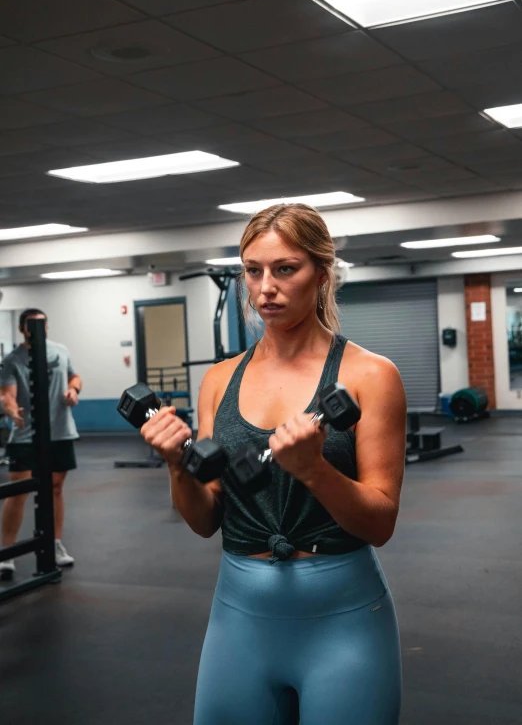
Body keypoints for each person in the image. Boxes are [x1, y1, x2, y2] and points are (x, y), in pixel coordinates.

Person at [142, 204, 407, 725]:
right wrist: (176, 465)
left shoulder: (371, 376)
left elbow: (380, 523)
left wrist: (315, 470)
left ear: (322, 273)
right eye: (253, 270)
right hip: (238, 620)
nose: (265, 287)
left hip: (344, 623)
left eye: (286, 269)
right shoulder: (219, 380)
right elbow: (204, 519)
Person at [0, 309, 81, 581]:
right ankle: (7, 552)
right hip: (26, 437)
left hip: (60, 432)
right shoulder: (13, 360)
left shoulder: (60, 350)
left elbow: (75, 377)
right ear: (24, 329)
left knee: (56, 489)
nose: (40, 329)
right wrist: (12, 411)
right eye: (34, 325)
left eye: (44, 324)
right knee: (18, 493)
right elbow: (7, 395)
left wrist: (73, 391)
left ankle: (55, 544)